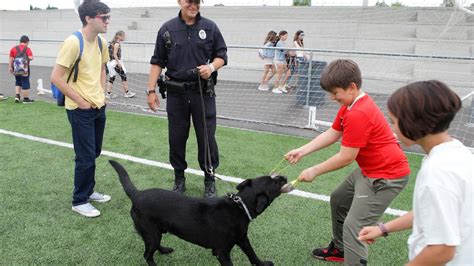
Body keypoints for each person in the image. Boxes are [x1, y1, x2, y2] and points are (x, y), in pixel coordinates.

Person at [285, 59, 410, 264]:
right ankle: (341, 250)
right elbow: (334, 132)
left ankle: (352, 255)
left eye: (335, 93)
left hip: (386, 176)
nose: (332, 98)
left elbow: (346, 157)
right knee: (339, 199)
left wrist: (314, 170)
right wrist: (302, 151)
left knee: (355, 227)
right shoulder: (351, 104)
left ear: (352, 87)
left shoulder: (359, 113)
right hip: (368, 170)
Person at [358, 80, 473, 265]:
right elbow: (430, 210)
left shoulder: (438, 172)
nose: (391, 128)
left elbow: (443, 249)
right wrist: (383, 228)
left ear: (413, 122)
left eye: (393, 122)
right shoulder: (458, 152)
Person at [146, 0, 227, 198]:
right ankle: (179, 178)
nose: (194, 5)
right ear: (180, 2)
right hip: (176, 93)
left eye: (197, 1)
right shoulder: (167, 29)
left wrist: (212, 67)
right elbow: (157, 61)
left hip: (202, 92)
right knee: (176, 137)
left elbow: (222, 55)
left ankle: (209, 179)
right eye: (189, 1)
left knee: (207, 137)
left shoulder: (210, 27)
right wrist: (150, 91)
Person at [50, 0, 111, 218]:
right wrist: (82, 101)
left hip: (98, 106)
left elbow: (103, 68)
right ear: (89, 18)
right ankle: (79, 200)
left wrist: (101, 94)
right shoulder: (73, 42)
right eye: (104, 17)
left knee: (94, 152)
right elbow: (56, 78)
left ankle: (89, 190)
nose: (107, 21)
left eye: (108, 17)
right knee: (85, 156)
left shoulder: (102, 42)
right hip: (80, 109)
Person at [105, 30, 136, 99]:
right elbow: (115, 55)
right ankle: (127, 92)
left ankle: (108, 94)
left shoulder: (113, 43)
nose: (124, 37)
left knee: (112, 78)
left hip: (110, 63)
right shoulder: (117, 44)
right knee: (123, 76)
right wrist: (118, 63)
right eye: (123, 36)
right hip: (115, 62)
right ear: (119, 36)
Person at [8, 35, 34, 103]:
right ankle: (26, 99)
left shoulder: (13, 48)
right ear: (27, 42)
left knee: (18, 81)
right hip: (25, 69)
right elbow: (31, 57)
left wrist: (10, 67)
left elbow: (11, 58)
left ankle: (17, 96)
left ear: (20, 41)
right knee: (25, 82)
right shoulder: (27, 49)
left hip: (16, 68)